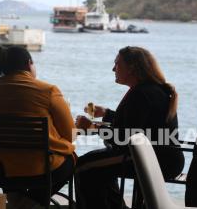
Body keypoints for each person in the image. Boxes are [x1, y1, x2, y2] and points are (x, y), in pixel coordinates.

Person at [74, 46, 184, 209]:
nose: (113, 69)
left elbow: (123, 139)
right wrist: (106, 114)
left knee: (83, 166)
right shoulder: (152, 89)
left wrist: (92, 128)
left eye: (117, 64)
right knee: (96, 164)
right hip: (165, 157)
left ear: (131, 68)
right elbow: (136, 124)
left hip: (151, 158)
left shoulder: (140, 94)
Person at [0, 45, 76, 208]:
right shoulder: (48, 91)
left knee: (8, 160)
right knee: (71, 161)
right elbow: (70, 135)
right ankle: (30, 203)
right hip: (38, 170)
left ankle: (19, 202)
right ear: (29, 63)